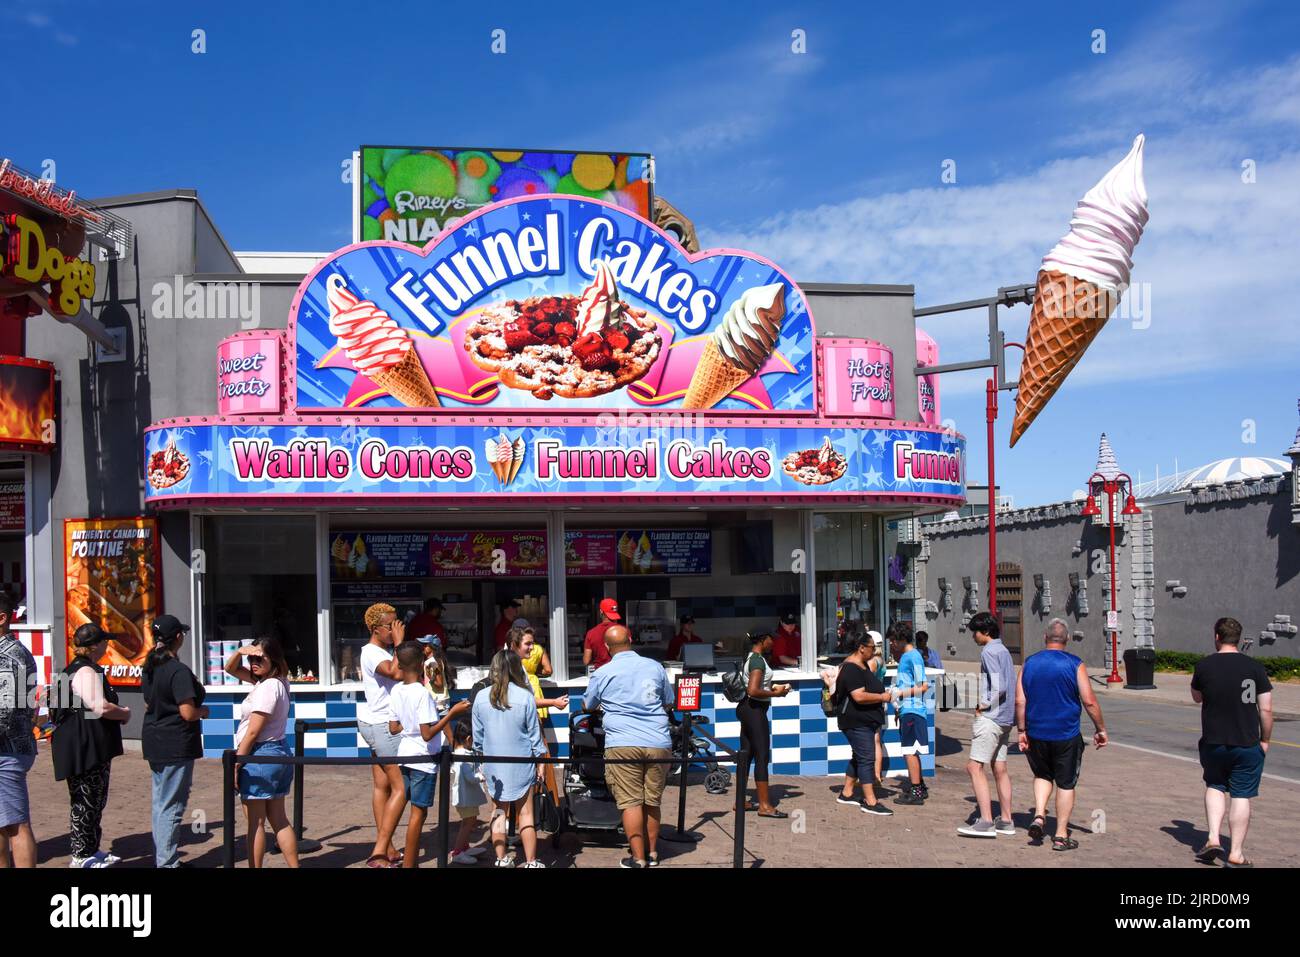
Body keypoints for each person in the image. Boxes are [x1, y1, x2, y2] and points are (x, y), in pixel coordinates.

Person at [582, 624, 675, 867]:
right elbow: (669, 700)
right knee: (652, 800)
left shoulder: (603, 672)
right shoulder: (654, 666)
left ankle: (638, 858)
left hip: (622, 743)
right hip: (658, 740)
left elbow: (588, 704)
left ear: (605, 646)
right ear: (631, 640)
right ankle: (653, 853)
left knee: (631, 801)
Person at [1016, 618, 1107, 851]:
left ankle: (1038, 815)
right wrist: (1100, 729)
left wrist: (1022, 730)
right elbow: (1089, 701)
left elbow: (1020, 700)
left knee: (1042, 775)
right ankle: (1060, 834)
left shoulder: (1029, 663)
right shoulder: (1075, 664)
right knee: (1066, 783)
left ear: (1045, 638)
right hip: (1066, 734)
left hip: (1037, 732)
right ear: (1066, 639)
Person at [1190, 617, 1273, 867]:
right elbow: (1266, 710)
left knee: (1215, 785)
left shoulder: (1204, 665)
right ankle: (1235, 853)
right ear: (1238, 638)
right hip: (1246, 740)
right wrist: (1265, 739)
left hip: (1214, 740)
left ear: (1217, 636)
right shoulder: (1255, 667)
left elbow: (1196, 697)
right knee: (1241, 794)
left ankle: (1213, 838)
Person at [51, 624, 130, 867]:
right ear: (94, 646)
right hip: (83, 745)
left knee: (93, 797)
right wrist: (125, 713)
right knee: (86, 798)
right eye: (105, 641)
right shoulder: (85, 671)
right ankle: (82, 855)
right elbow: (100, 707)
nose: (108, 645)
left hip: (83, 742)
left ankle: (91, 849)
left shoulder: (75, 669)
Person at [387, 642, 470, 868]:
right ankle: (410, 864)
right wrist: (451, 713)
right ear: (422, 664)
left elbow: (393, 727)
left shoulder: (396, 690)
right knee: (418, 813)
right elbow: (427, 734)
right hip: (423, 759)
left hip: (404, 755)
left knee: (410, 807)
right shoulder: (422, 695)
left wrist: (410, 725)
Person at [225, 636, 299, 868]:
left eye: (260, 658)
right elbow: (230, 669)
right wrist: (240, 652)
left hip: (260, 755)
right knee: (279, 819)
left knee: (256, 823)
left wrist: (238, 762)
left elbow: (254, 731)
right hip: (277, 752)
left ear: (273, 659)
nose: (253, 662)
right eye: (251, 658)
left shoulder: (268, 687)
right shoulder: (276, 681)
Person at [141, 614, 207, 868]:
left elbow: (149, 701)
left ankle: (166, 859)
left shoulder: (150, 666)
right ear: (177, 637)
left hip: (155, 739)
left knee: (161, 802)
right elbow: (187, 712)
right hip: (175, 742)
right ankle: (167, 863)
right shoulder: (177, 670)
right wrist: (204, 712)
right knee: (172, 806)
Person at [472, 650, 548, 868]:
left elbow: (477, 739)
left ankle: (501, 858)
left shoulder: (481, 697)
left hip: (494, 763)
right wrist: (541, 764)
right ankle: (531, 861)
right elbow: (535, 737)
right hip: (522, 761)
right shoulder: (525, 697)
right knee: (526, 815)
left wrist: (480, 764)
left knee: (497, 812)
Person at [355, 602, 407, 867]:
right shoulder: (373, 653)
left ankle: (387, 847)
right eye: (391, 625)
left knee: (382, 786)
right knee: (402, 787)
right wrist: (400, 644)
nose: (396, 628)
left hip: (375, 722)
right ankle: (379, 852)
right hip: (383, 726)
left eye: (397, 622)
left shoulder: (378, 651)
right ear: (376, 629)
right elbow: (396, 673)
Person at [957, 612, 1016, 838]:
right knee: (999, 768)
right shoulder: (1003, 650)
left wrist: (983, 704)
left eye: (976, 631)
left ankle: (986, 821)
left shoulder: (989, 651)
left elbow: (998, 685)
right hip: (1006, 718)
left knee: (974, 767)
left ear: (986, 632)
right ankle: (1006, 819)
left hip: (992, 717)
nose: (974, 635)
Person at [832, 632, 893, 815]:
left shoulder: (862, 664)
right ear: (862, 648)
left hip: (865, 720)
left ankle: (847, 793)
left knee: (859, 756)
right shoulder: (851, 668)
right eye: (872, 648)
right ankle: (870, 801)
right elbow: (858, 696)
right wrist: (882, 696)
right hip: (855, 721)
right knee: (867, 758)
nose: (874, 652)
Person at [0, 593, 38, 868]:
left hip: (8, 750)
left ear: (2, 618)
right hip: (8, 748)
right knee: (3, 823)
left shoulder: (10, 657)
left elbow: (6, 712)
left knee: (15, 824)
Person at [737, 632, 792, 817]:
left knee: (747, 754)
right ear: (762, 640)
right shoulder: (758, 661)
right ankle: (764, 806)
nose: (773, 643)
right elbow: (753, 690)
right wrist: (776, 694)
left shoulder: (752, 658)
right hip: (754, 710)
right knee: (762, 756)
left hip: (747, 709)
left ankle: (740, 801)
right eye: (771, 640)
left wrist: (772, 688)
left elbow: (755, 686)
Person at [887, 622, 930, 806]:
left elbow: (923, 685)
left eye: (892, 640)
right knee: (911, 750)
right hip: (907, 709)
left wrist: (900, 694)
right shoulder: (907, 657)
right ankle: (919, 784)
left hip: (913, 710)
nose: (891, 644)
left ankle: (916, 790)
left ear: (900, 639)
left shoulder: (913, 657)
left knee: (910, 751)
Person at [449, 721, 489, 865]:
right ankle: (458, 852)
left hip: (467, 797)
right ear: (468, 739)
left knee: (469, 821)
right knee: (468, 823)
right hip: (465, 798)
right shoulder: (462, 756)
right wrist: (481, 777)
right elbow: (469, 777)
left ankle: (464, 847)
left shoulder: (460, 753)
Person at [867, 631, 888, 784]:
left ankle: (872, 775)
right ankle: (877, 774)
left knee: (869, 741)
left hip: (870, 703)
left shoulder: (872, 662)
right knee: (876, 740)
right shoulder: (881, 660)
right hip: (879, 703)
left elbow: (863, 679)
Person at [582, 598, 621, 671]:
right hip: (620, 672)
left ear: (601, 612)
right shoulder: (624, 631)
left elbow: (586, 661)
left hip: (600, 673)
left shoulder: (591, 633)